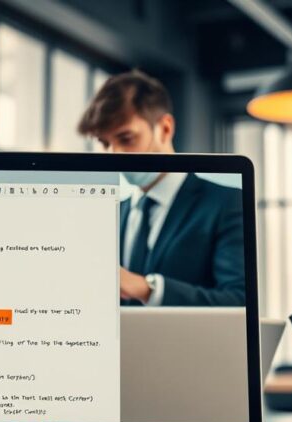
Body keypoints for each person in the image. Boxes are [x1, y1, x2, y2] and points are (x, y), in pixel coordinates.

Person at [76, 70, 245, 307]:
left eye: (126, 139)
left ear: (165, 129)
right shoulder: (111, 214)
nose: (114, 155)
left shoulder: (225, 203)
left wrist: (148, 289)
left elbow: (238, 303)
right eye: (105, 143)